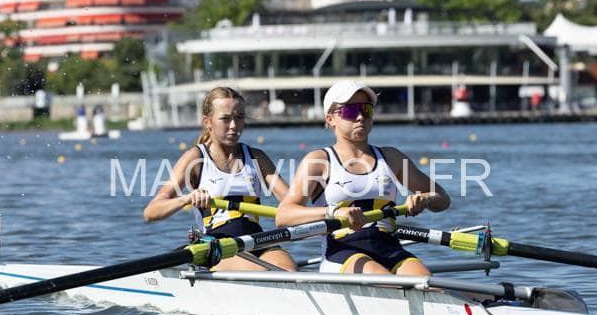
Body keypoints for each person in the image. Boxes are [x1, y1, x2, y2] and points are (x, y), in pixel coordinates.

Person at [275, 80, 450, 275]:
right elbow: (284, 215)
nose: (360, 117)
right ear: (330, 119)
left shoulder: (392, 158)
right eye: (350, 111)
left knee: (427, 283)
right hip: (342, 252)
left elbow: (442, 199)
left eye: (366, 110)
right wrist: (333, 212)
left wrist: (424, 199)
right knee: (386, 280)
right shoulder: (318, 161)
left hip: (390, 249)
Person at [144, 86, 296, 272]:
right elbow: (151, 212)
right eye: (225, 119)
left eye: (239, 117)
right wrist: (187, 199)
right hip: (216, 246)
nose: (234, 126)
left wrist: (325, 211)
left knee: (289, 271)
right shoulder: (195, 159)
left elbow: (292, 204)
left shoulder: (257, 157)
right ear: (207, 122)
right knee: (261, 271)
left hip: (257, 239)